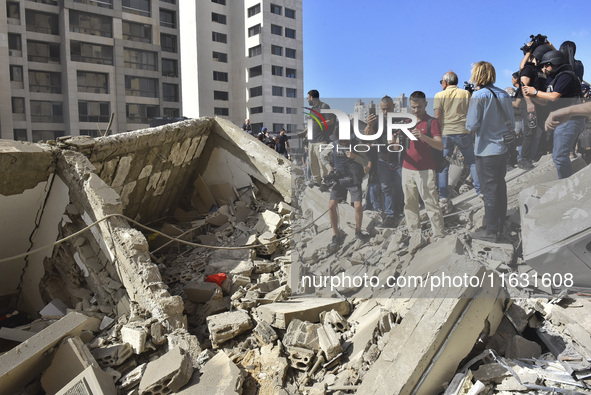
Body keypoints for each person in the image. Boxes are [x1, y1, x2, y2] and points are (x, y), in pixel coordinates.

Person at [466, 61, 515, 243]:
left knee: (489, 191)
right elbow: (510, 120)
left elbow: (471, 125)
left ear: (477, 75)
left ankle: (491, 232)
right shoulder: (503, 94)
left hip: (486, 150)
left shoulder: (479, 95)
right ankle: (500, 226)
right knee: (500, 187)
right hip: (502, 148)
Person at [523, 50, 584, 179]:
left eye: (546, 65)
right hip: (563, 120)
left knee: (560, 157)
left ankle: (566, 184)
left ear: (554, 63)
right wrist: (531, 95)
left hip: (571, 119)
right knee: (559, 157)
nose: (544, 68)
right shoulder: (553, 79)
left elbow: (554, 97)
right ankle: (568, 181)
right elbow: (546, 102)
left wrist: (535, 92)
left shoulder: (566, 75)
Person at [402, 91, 445, 252]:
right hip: (407, 168)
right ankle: (415, 234)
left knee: (431, 202)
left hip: (426, 169)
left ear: (425, 104)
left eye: (419, 107)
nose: (415, 110)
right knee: (409, 204)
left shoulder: (432, 122)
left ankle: (439, 235)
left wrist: (423, 137)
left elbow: (440, 145)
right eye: (413, 107)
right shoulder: (407, 121)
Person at [434, 71, 481, 209]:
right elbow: (472, 111)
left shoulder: (439, 95)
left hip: (446, 134)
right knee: (472, 161)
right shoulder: (465, 94)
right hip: (463, 132)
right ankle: (479, 191)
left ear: (445, 82)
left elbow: (437, 116)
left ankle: (443, 197)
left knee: (444, 166)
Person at [365, 96, 404, 227]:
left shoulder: (400, 120)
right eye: (382, 109)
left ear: (394, 107)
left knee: (399, 188)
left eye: (387, 109)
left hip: (398, 159)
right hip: (382, 159)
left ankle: (399, 213)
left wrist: (397, 141)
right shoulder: (378, 121)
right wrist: (369, 124)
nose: (385, 112)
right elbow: (367, 137)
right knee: (386, 188)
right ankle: (390, 215)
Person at [327, 137, 368, 251]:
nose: (343, 143)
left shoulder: (357, 144)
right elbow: (322, 156)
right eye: (341, 141)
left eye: (346, 141)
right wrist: (329, 167)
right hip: (339, 178)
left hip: (353, 178)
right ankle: (335, 235)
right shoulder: (333, 144)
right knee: (331, 206)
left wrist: (355, 157)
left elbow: (365, 161)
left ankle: (358, 232)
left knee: (358, 206)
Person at [299, 90, 334, 186]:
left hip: (321, 140)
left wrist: (319, 123)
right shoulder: (311, 110)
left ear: (312, 98)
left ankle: (325, 181)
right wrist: (304, 132)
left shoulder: (324, 106)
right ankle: (316, 180)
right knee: (312, 162)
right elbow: (310, 124)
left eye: (307, 98)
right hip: (311, 141)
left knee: (322, 162)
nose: (307, 100)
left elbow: (330, 121)